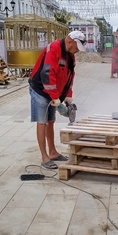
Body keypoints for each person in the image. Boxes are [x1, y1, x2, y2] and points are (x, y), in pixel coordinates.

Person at [28, 30, 86, 169]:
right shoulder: (53, 49)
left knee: (51, 121)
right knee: (42, 122)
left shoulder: (71, 56)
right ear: (69, 41)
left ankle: (53, 152)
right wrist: (55, 97)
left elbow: (70, 77)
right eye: (77, 47)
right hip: (40, 90)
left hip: (54, 93)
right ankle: (44, 157)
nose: (77, 51)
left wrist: (67, 96)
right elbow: (47, 74)